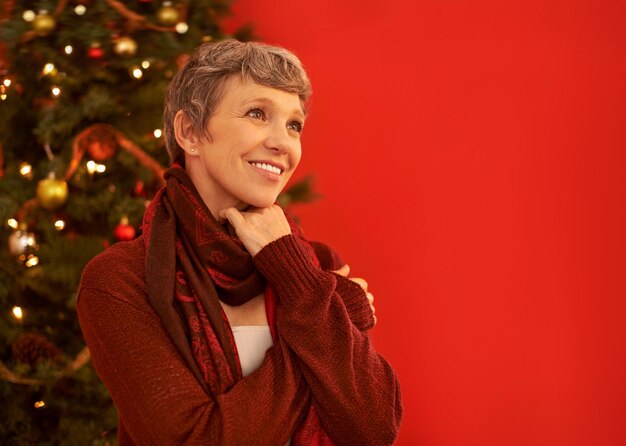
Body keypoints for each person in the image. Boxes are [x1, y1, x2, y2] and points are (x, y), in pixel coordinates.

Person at [77, 39, 402, 445]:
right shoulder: (121, 279)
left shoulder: (314, 266)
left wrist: (294, 274)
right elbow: (197, 439)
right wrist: (330, 315)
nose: (283, 143)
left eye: (293, 124)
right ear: (190, 132)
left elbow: (371, 431)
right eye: (257, 113)